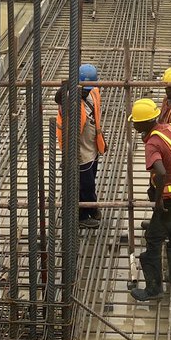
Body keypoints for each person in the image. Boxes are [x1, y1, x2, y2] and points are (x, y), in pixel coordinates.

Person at [129, 98, 171, 302]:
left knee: (153, 239)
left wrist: (158, 201)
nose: (133, 125)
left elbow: (160, 172)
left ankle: (154, 289)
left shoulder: (152, 143)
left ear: (144, 123)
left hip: (170, 198)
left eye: (136, 122)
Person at [56, 64, 106, 229]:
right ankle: (82, 216)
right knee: (83, 184)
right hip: (77, 150)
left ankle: (91, 206)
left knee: (90, 181)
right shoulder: (70, 101)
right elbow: (70, 129)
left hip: (91, 145)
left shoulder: (93, 91)